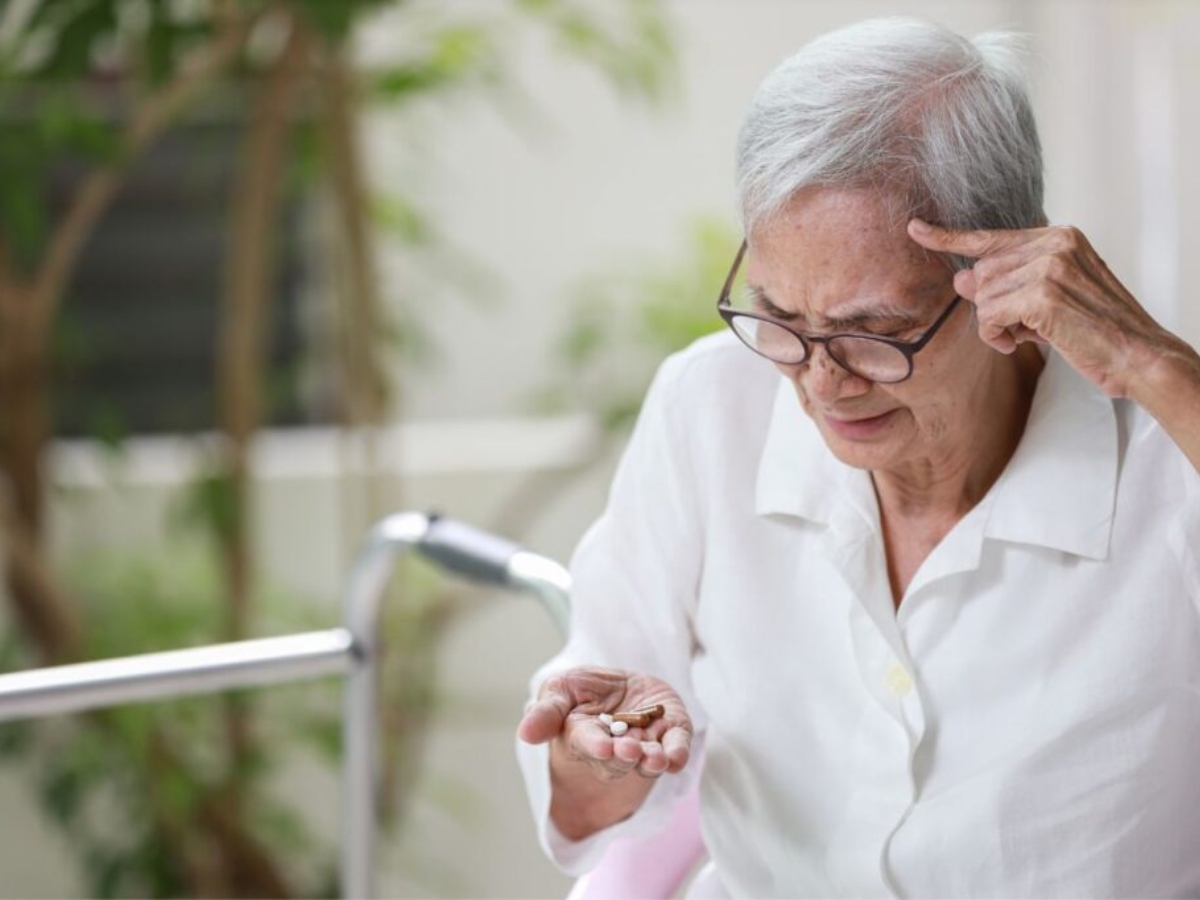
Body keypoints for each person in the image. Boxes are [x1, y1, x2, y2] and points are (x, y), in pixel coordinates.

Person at [516, 16, 1200, 897]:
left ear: (1015, 272)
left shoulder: (1166, 462)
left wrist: (1160, 369)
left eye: (874, 332)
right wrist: (600, 759)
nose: (822, 383)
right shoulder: (711, 407)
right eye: (779, 317)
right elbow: (586, 784)